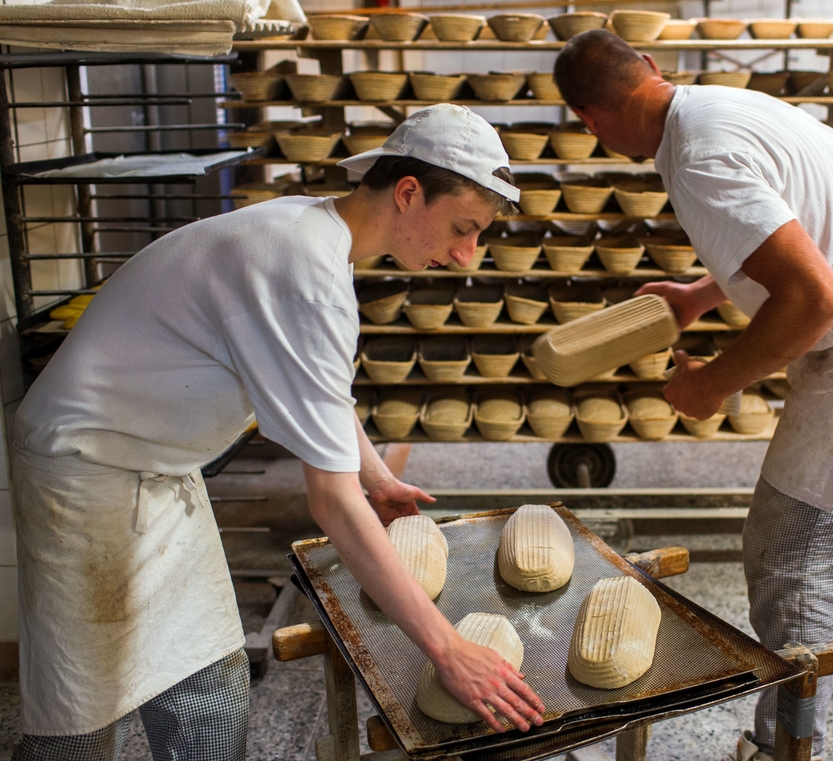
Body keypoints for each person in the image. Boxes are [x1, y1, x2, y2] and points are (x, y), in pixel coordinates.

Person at [9, 104, 544, 760]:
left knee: (208, 672)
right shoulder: (306, 270)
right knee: (85, 714)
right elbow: (330, 503)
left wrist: (375, 475)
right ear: (409, 193)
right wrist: (447, 647)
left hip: (157, 469)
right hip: (83, 468)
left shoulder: (318, 234)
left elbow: (319, 386)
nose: (467, 255)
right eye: (464, 228)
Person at [554, 30, 833, 761]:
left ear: (589, 120)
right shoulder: (708, 109)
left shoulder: (698, 156)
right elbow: (791, 231)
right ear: (650, 67)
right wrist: (704, 294)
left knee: (796, 548)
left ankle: (783, 751)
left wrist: (710, 383)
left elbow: (815, 296)